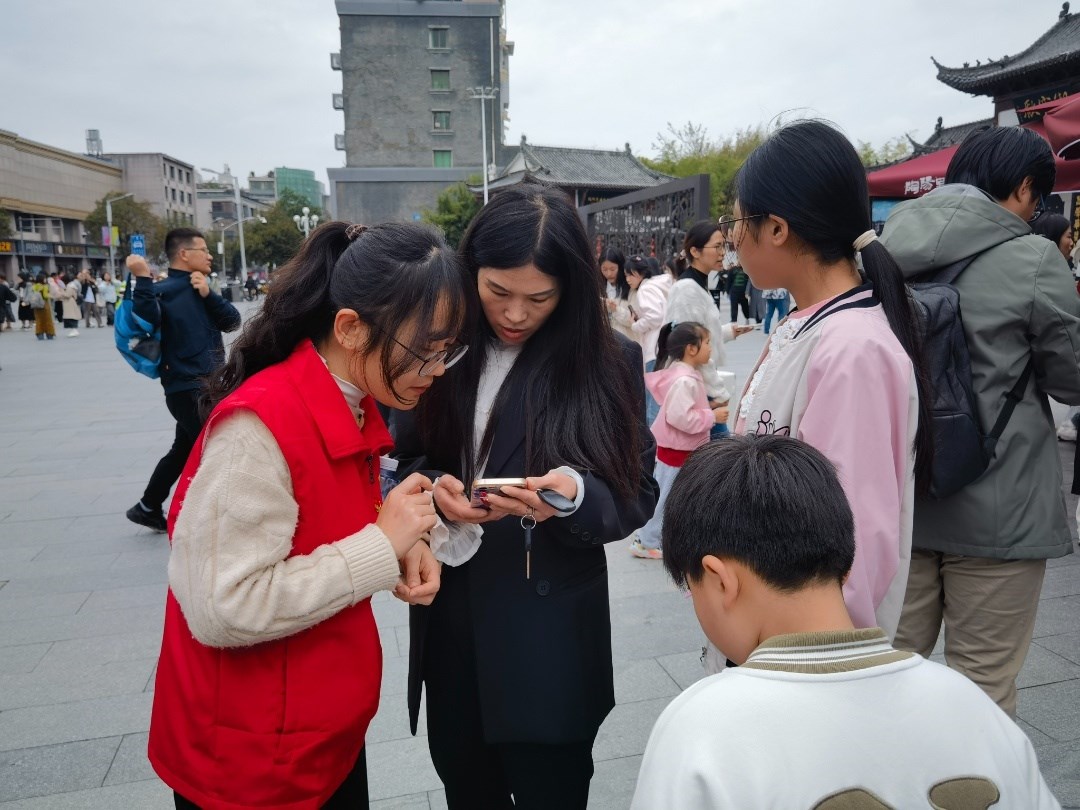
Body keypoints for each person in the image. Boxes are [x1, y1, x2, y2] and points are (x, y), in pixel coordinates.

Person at [149, 221, 462, 810]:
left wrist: (399, 543)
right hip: (251, 759)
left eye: (448, 350)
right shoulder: (259, 426)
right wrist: (378, 546)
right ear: (350, 328)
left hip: (316, 738)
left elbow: (318, 523)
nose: (438, 369)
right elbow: (223, 605)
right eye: (426, 351)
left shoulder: (355, 401)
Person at [398, 185, 659, 809]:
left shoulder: (605, 360)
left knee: (553, 790)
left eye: (538, 299)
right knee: (467, 786)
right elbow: (400, 455)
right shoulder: (439, 345)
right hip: (453, 617)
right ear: (470, 274)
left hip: (548, 631)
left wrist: (571, 495)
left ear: (569, 289)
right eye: (497, 292)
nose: (515, 314)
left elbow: (637, 489)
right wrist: (432, 495)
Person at [630, 435, 1062, 809]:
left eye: (691, 587)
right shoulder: (970, 703)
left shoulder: (702, 724)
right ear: (846, 565)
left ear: (721, 580)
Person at [882, 125, 1080, 717]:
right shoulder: (1033, 257)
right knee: (982, 690)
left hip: (901, 498)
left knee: (888, 678)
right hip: (1002, 501)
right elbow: (1072, 377)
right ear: (1024, 188)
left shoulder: (883, 251)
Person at [730, 120, 932, 644]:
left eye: (737, 222)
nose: (731, 237)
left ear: (776, 228)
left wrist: (817, 647)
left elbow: (853, 537)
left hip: (806, 649)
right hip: (770, 624)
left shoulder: (852, 348)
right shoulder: (814, 323)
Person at [125, 228, 242, 533]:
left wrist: (208, 294)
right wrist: (142, 278)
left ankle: (147, 506)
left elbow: (232, 322)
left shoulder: (200, 287)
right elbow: (145, 318)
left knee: (184, 448)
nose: (209, 255)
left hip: (210, 383)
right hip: (186, 386)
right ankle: (221, 518)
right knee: (220, 447)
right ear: (184, 254)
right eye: (203, 249)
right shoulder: (160, 290)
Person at [630, 323, 725, 560]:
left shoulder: (683, 374)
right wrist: (711, 416)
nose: (710, 349)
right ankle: (646, 541)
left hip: (677, 447)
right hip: (677, 448)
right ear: (691, 349)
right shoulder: (685, 380)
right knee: (664, 497)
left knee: (667, 493)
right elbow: (679, 416)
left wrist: (707, 408)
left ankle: (651, 538)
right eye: (707, 343)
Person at [666, 221, 753, 439]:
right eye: (716, 247)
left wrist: (729, 332)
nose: (722, 252)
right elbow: (690, 347)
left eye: (724, 246)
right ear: (694, 251)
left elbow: (700, 334)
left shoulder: (698, 284)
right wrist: (718, 392)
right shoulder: (687, 289)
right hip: (698, 391)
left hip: (700, 390)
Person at [612, 254, 669, 372]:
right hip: (660, 347)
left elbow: (654, 317)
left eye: (630, 274)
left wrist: (635, 325)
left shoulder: (645, 289)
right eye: (626, 275)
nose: (627, 279)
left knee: (650, 389)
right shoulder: (653, 286)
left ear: (639, 273)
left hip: (654, 348)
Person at [55, 271, 82, 337]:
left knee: (72, 316)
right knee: (71, 316)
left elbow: (68, 295)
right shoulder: (70, 285)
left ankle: (74, 330)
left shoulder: (70, 286)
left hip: (70, 303)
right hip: (69, 302)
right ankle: (73, 330)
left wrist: (61, 292)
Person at [30, 273, 55, 340]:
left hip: (36, 306)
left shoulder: (34, 286)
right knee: (47, 320)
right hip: (44, 305)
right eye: (44, 278)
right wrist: (52, 296)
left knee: (38, 320)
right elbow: (45, 295)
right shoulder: (45, 286)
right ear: (42, 279)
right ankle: (49, 334)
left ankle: (39, 334)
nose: (45, 279)